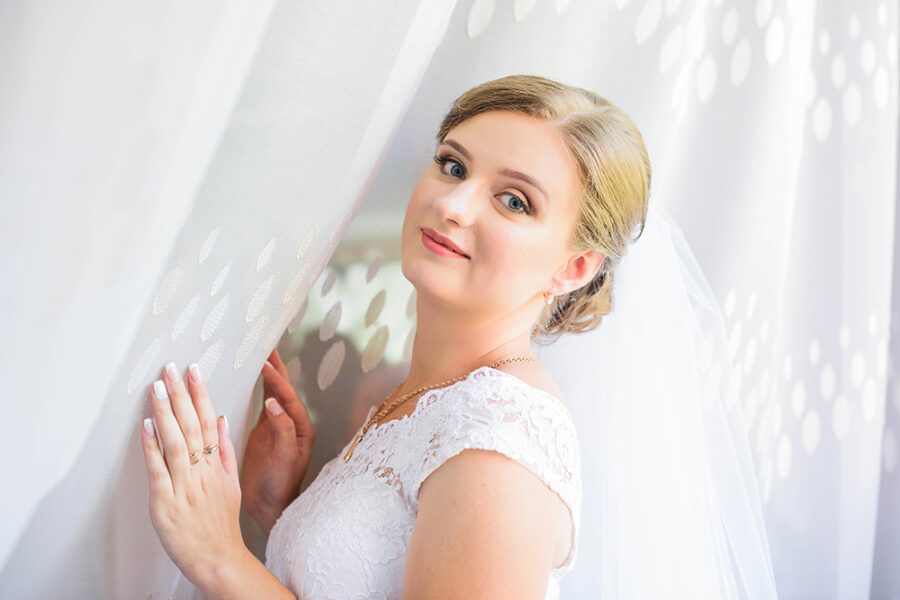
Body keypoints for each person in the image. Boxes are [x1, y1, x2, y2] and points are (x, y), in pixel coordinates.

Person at [138, 74, 685, 599]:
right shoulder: (429, 395)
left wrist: (218, 557)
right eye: (452, 165)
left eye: (514, 200)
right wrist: (279, 510)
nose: (452, 205)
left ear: (573, 268)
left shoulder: (501, 439)